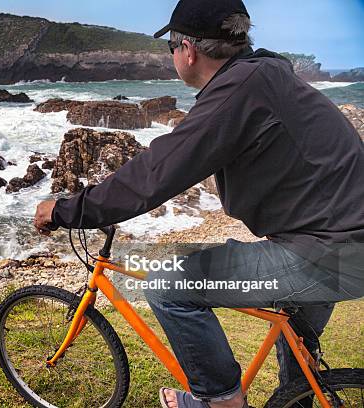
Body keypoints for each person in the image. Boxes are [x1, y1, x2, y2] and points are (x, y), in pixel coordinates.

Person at [33, 0, 364, 407]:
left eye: (171, 46)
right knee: (297, 370)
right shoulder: (266, 78)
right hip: (343, 243)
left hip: (327, 251)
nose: (172, 55)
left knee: (168, 284)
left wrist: (67, 209)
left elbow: (158, 171)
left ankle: (219, 402)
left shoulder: (239, 91)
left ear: (188, 49)